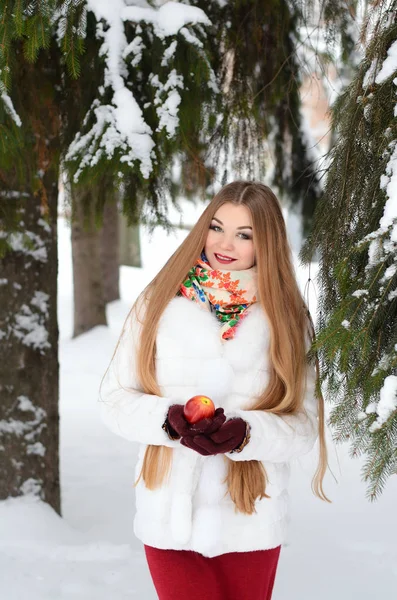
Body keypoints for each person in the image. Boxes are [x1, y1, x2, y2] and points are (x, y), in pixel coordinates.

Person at [99, 181, 330, 600]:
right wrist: (166, 421)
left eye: (245, 234)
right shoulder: (158, 302)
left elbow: (304, 425)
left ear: (267, 243)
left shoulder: (287, 317)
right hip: (170, 515)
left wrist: (246, 435)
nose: (225, 243)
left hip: (250, 515)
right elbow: (114, 400)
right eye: (217, 227)